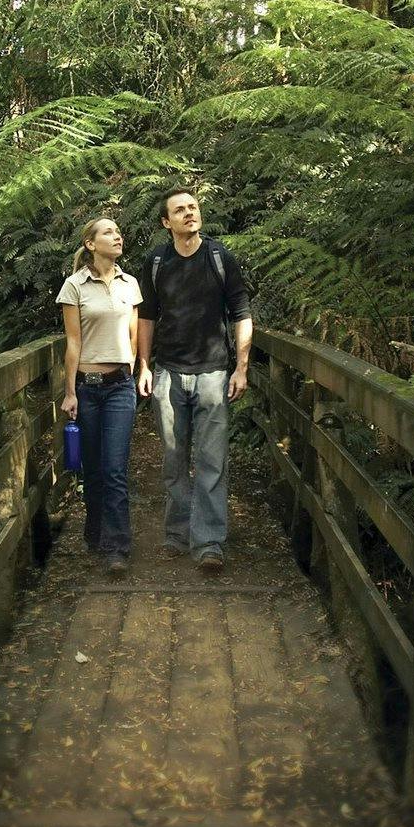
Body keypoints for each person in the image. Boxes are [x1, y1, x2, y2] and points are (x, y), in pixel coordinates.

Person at [134, 187, 251, 575]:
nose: (189, 214)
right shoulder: (155, 262)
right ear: (167, 223)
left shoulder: (219, 258)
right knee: (173, 457)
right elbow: (146, 317)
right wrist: (144, 365)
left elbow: (240, 312)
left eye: (193, 207)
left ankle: (209, 541)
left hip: (214, 372)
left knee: (212, 459)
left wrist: (242, 367)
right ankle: (177, 533)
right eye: (180, 210)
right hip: (168, 371)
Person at [56, 215, 142, 575]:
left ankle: (116, 546)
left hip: (121, 387)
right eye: (108, 231)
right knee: (92, 469)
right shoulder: (74, 286)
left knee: (114, 468)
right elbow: (73, 341)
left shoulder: (130, 283)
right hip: (88, 390)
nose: (117, 235)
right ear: (90, 244)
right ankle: (94, 533)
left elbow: (135, 336)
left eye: (118, 230)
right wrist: (70, 390)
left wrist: (134, 371)